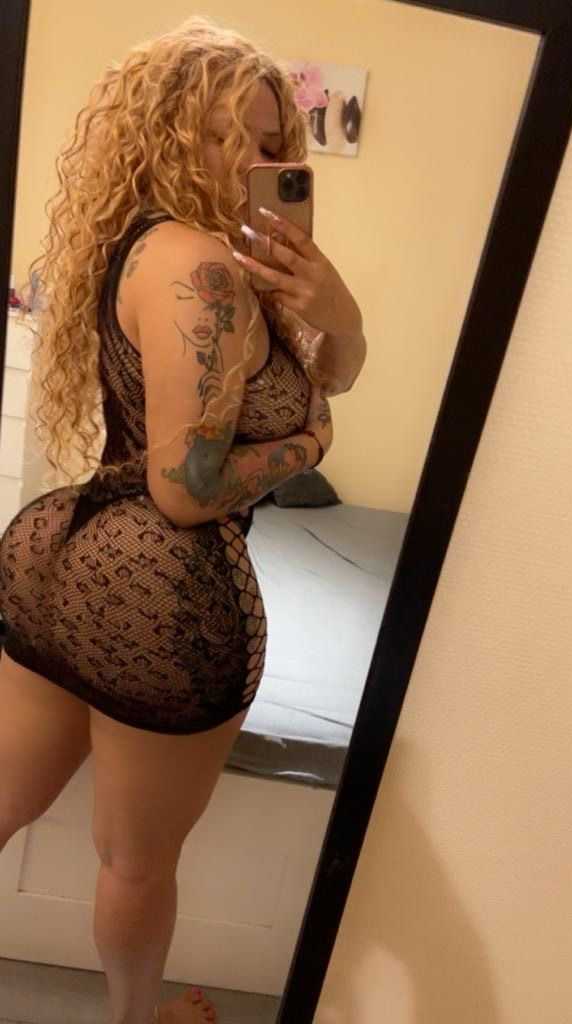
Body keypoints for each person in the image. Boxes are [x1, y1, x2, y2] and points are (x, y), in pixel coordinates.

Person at [0, 15, 366, 1024]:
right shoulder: (200, 265)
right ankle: (137, 1020)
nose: (250, 158)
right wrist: (311, 445)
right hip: (160, 585)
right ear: (165, 133)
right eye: (220, 134)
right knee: (134, 861)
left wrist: (338, 311)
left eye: (268, 138)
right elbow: (186, 489)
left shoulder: (175, 248)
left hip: (64, 551)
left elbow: (332, 370)